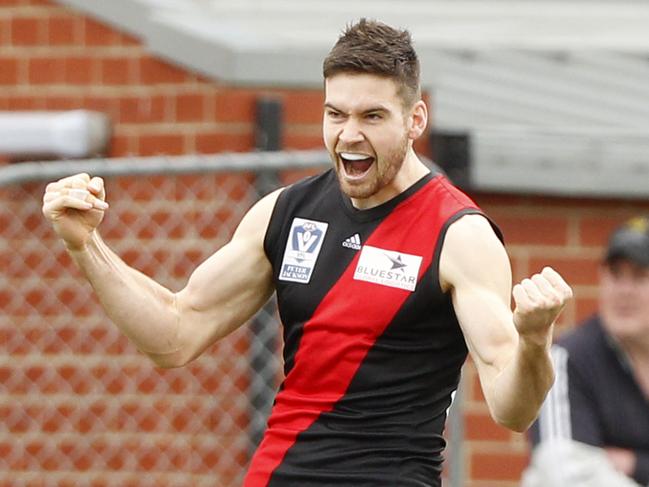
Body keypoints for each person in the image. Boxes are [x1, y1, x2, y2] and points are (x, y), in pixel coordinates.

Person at [41, 19, 572, 487]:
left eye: (372, 117)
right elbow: (175, 334)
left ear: (415, 121)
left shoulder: (458, 234)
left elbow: (511, 409)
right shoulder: (286, 212)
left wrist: (533, 340)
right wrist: (86, 246)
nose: (349, 135)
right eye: (335, 114)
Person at [523, 216, 649, 487]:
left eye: (640, 276)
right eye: (616, 275)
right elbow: (563, 475)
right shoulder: (567, 360)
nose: (624, 291)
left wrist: (635, 464)